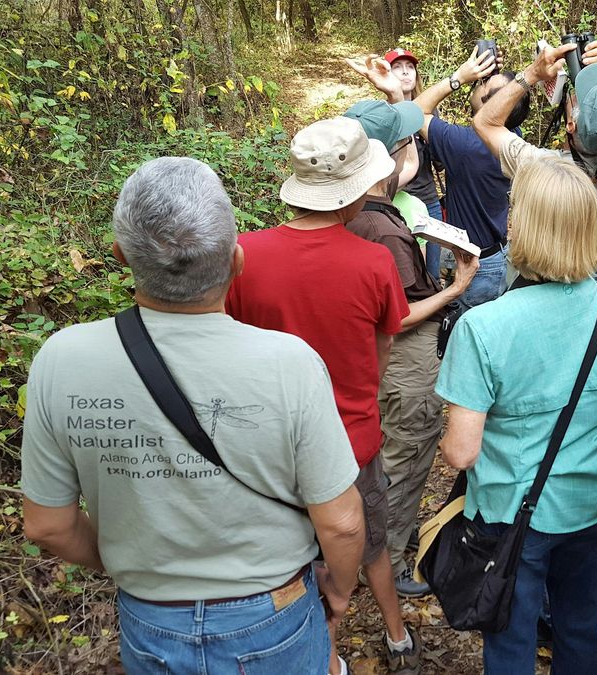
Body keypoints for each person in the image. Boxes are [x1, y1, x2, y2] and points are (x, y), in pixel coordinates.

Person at [21, 157, 365, 675]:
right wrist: (338, 589)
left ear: (120, 256)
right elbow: (339, 522)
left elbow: (48, 525)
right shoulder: (289, 363)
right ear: (236, 261)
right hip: (272, 615)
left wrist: (134, 568)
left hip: (149, 621)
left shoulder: (62, 358)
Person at [224, 118, 414, 675]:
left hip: (267, 443)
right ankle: (396, 634)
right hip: (350, 438)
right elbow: (379, 354)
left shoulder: (243, 255)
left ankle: (319, 651)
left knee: (291, 553)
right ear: (355, 190)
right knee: (369, 539)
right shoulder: (374, 261)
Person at [436, 156, 597, 674]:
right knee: (579, 628)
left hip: (511, 513)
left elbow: (462, 451)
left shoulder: (483, 327)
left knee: (510, 638)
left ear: (519, 225)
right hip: (591, 496)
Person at [341, 99, 480, 604]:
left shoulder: (359, 214)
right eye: (408, 145)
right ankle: (388, 557)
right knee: (406, 454)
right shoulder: (381, 228)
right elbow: (396, 316)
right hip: (404, 364)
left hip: (382, 362)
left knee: (389, 453)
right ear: (392, 157)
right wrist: (455, 287)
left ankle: (372, 545)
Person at [354, 47, 531, 308]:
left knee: (463, 330)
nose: (479, 84)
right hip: (497, 254)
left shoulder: (466, 145)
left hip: (476, 264)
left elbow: (415, 112)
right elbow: (503, 106)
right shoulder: (512, 136)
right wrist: (492, 79)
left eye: (485, 85)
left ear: (492, 103)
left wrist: (458, 77)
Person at [473, 40, 597, 265]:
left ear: (570, 125)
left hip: (544, 272)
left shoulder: (543, 167)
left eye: (575, 95)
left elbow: (484, 122)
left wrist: (532, 73)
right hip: (593, 264)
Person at [381, 47, 446, 273]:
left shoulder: (429, 113)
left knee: (432, 270)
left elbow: (440, 162)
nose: (405, 72)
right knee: (405, 270)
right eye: (397, 68)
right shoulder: (382, 116)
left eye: (410, 67)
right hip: (396, 203)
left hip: (429, 201)